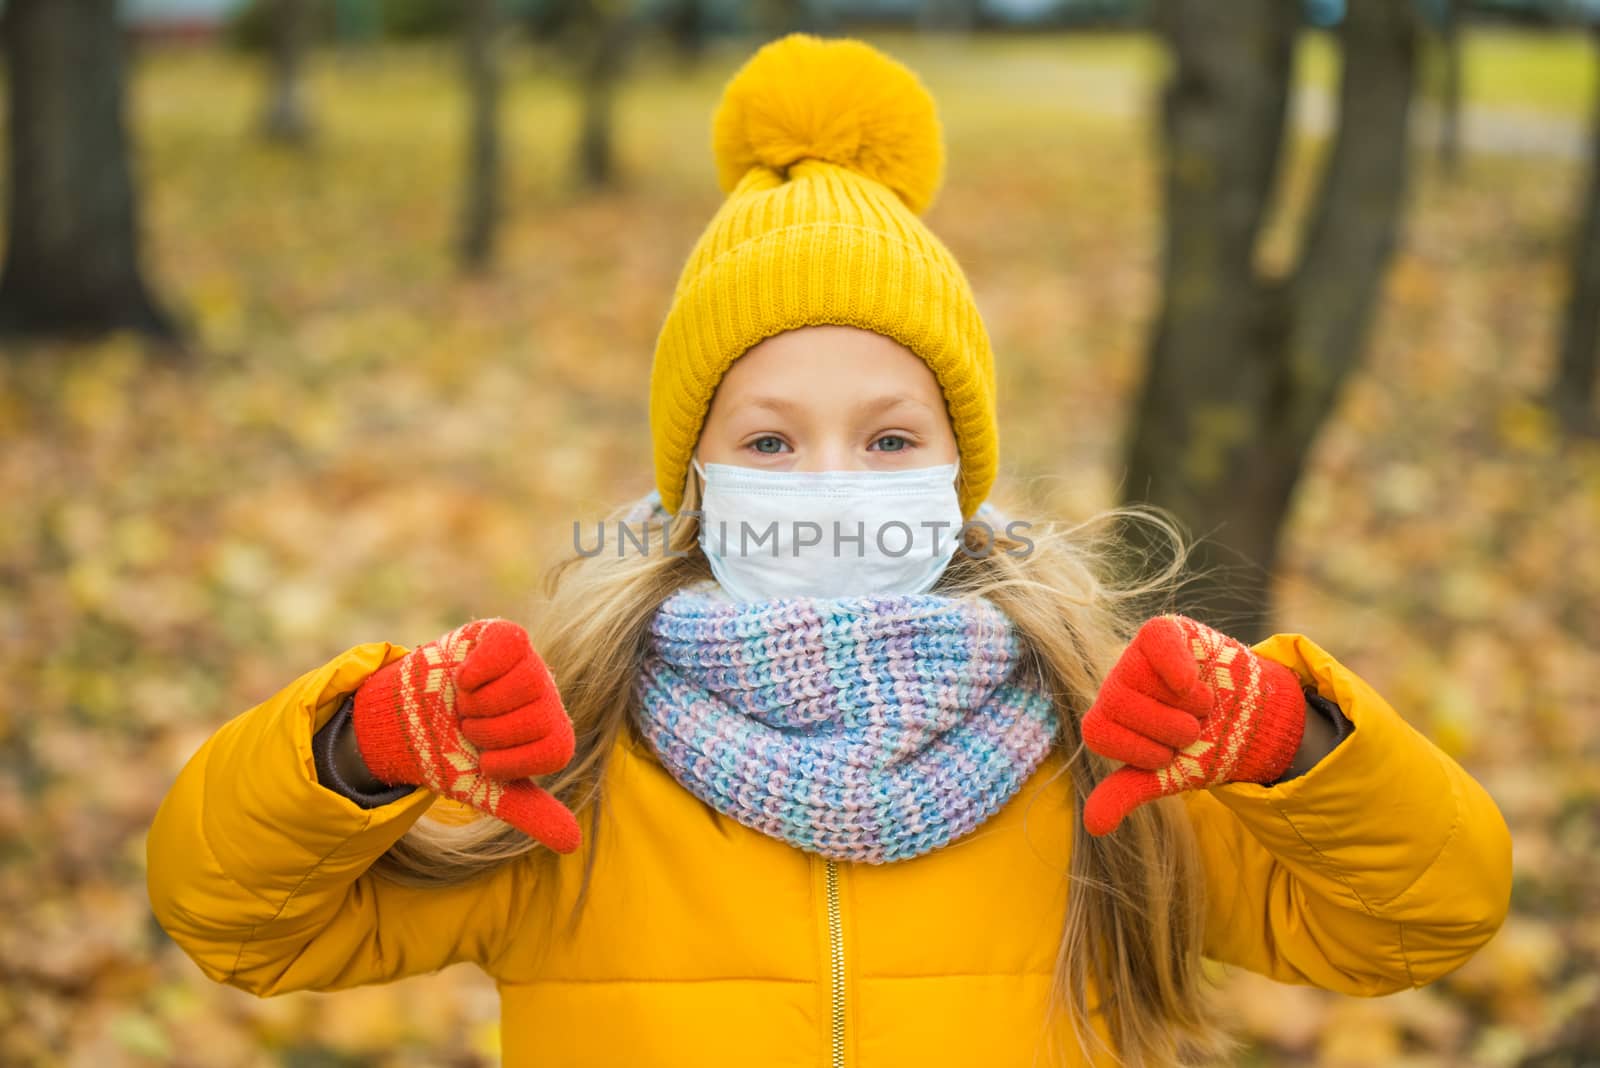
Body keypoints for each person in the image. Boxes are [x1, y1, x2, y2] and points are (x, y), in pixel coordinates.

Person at [147, 33, 1512, 1068]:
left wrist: (1301, 751)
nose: (832, 483)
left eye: (889, 439)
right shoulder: (565, 742)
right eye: (771, 440)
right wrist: (351, 753)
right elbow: (238, 921)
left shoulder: (1105, 742)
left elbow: (1425, 920)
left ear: (960, 470)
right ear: (691, 477)